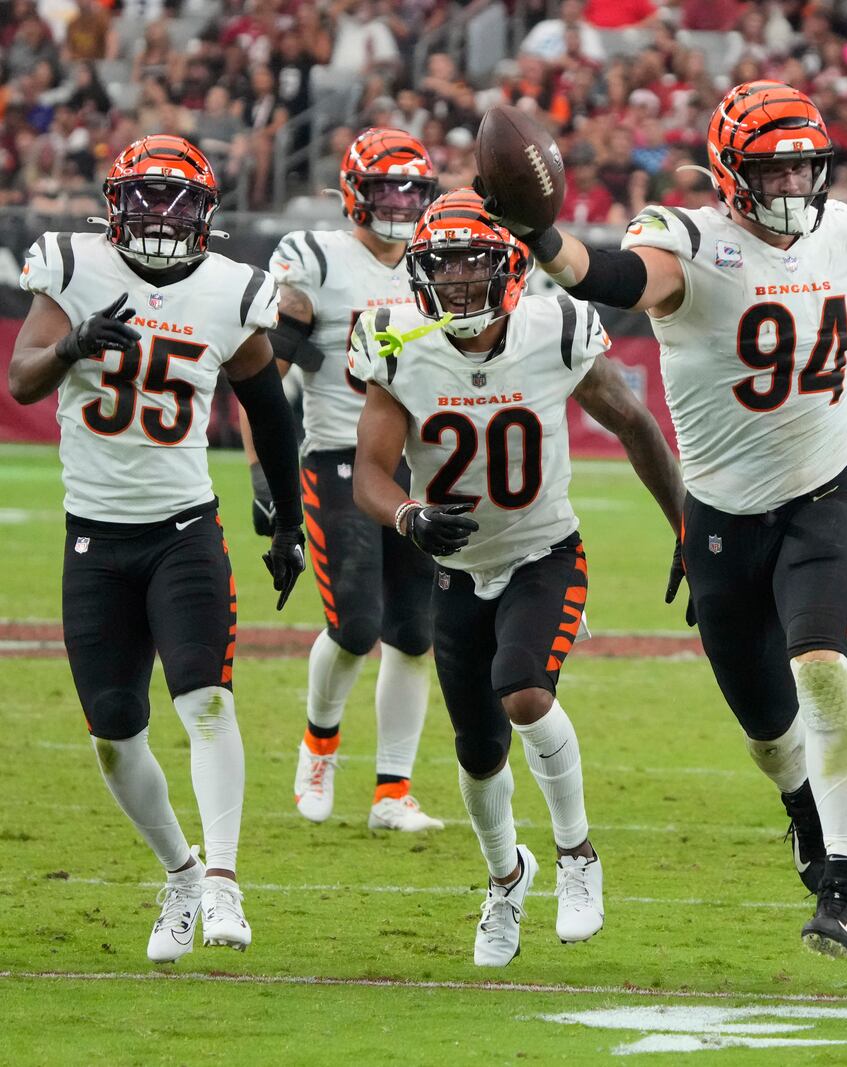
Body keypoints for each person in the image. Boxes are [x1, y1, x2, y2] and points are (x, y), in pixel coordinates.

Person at [480, 80, 847, 960]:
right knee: (769, 734)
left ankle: (846, 889)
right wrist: (543, 238)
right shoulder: (691, 242)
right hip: (720, 518)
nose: (792, 188)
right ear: (730, 174)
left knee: (824, 673)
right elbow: (611, 277)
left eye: (804, 168)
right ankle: (802, 809)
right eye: (772, 171)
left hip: (824, 495)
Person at [350, 187, 683, 964]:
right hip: (457, 569)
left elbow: (633, 422)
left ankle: (577, 855)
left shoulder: (555, 326)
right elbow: (368, 470)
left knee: (526, 690)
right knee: (477, 752)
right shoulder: (397, 340)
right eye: (444, 266)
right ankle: (506, 877)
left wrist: (686, 527)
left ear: (507, 267)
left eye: (474, 264)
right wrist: (407, 516)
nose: (460, 282)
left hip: (544, 552)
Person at [7, 135, 305, 962]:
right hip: (94, 537)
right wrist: (70, 346)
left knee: (204, 698)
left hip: (184, 530)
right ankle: (178, 870)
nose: (161, 217)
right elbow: (22, 379)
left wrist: (283, 517)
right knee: (113, 727)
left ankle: (222, 879)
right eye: (146, 198)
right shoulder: (72, 267)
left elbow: (268, 406)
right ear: (115, 202)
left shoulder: (228, 289)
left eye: (177, 202)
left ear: (206, 215)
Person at [253, 128, 446, 833]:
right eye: (386, 188)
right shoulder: (317, 261)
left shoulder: (439, 260)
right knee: (356, 621)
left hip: (418, 466)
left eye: (411, 189)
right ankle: (319, 743)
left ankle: (392, 790)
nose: (400, 203)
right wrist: (260, 473)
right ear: (353, 195)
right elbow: (262, 378)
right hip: (337, 455)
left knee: (414, 631)